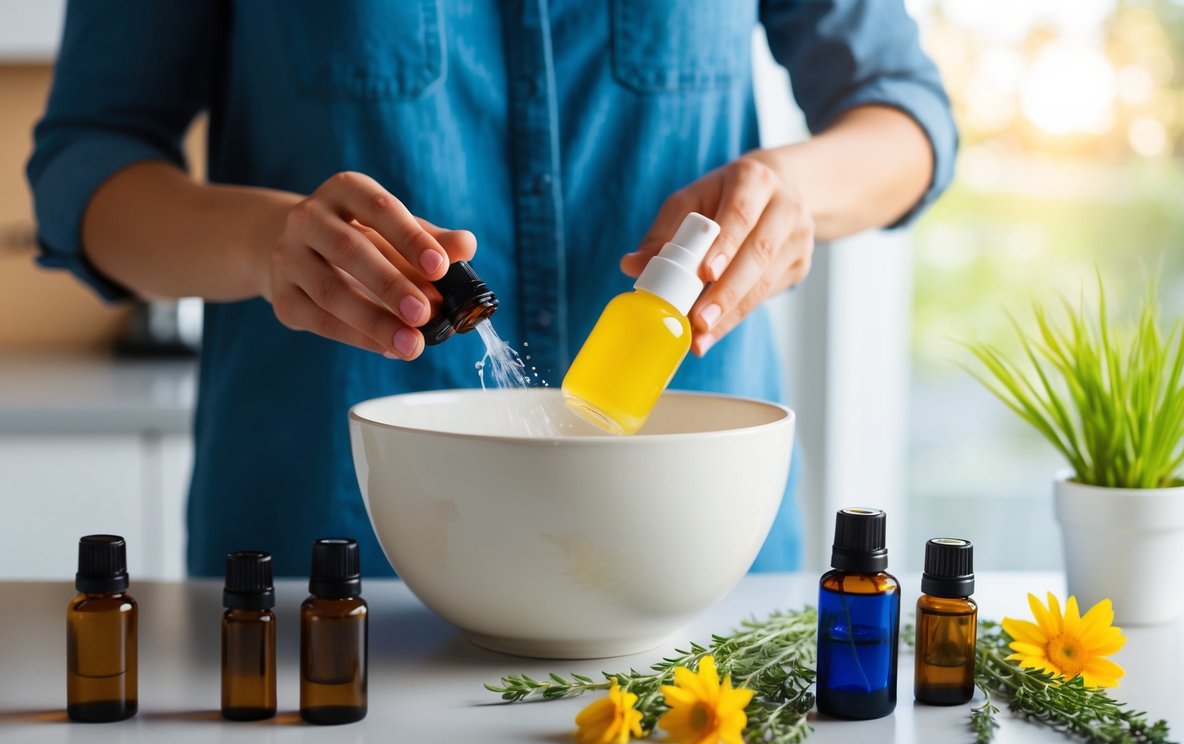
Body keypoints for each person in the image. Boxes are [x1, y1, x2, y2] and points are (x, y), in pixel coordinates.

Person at [28, 1, 956, 577]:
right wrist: (263, 242)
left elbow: (905, 119)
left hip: (690, 550)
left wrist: (795, 193)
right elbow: (84, 164)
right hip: (330, 554)